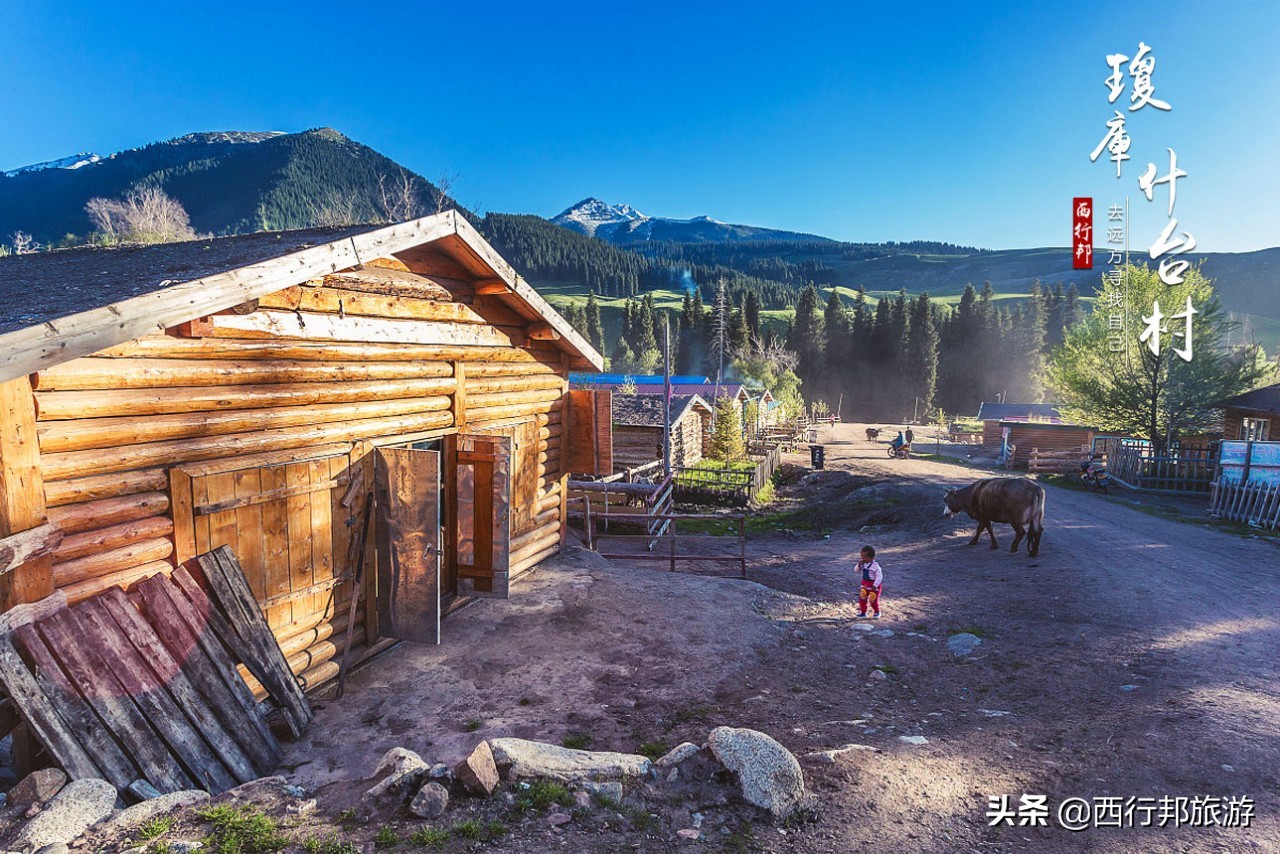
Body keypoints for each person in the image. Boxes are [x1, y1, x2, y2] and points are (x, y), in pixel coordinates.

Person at [854, 545, 883, 619]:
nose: (863, 559)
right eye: (862, 557)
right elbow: (856, 571)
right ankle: (863, 613)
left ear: (872, 558)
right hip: (864, 585)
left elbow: (879, 576)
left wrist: (875, 585)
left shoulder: (875, 566)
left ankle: (877, 612)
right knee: (862, 598)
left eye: (865, 557)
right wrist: (859, 565)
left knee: (873, 600)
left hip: (873, 586)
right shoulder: (863, 564)